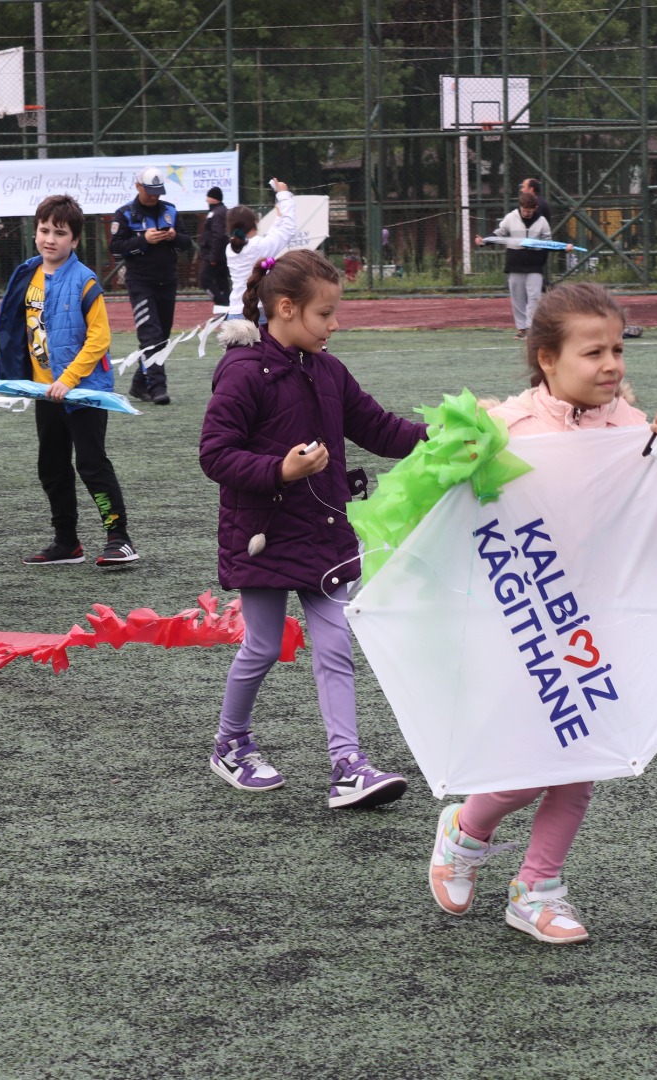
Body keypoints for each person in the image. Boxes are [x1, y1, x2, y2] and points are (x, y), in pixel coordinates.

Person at [426, 282, 657, 945]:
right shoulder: (510, 425)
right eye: (593, 352)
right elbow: (441, 502)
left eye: (617, 349)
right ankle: (467, 830)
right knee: (537, 760)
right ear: (547, 359)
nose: (611, 364)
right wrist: (461, 447)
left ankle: (536, 887)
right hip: (521, 621)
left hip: (596, 625)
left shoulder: (634, 430)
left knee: (581, 763)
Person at [198, 248, 427, 809]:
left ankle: (348, 765)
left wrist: (442, 439)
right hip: (265, 533)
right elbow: (215, 454)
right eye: (325, 314)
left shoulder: (329, 371)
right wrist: (280, 469)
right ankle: (230, 742)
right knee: (263, 644)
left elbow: (380, 428)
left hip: (324, 532)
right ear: (285, 308)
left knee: (334, 646)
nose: (334, 324)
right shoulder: (244, 372)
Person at [0, 194, 138, 569]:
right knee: (51, 465)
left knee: (91, 463)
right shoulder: (27, 274)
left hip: (83, 392)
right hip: (44, 393)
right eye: (44, 230)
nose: (50, 238)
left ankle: (119, 537)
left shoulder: (85, 281)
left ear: (74, 240)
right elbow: (19, 328)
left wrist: (69, 380)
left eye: (60, 232)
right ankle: (66, 542)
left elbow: (99, 338)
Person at [110, 166, 194, 405]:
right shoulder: (124, 214)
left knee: (162, 338)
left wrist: (173, 237)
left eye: (158, 191)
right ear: (138, 187)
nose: (154, 196)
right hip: (140, 283)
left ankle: (139, 384)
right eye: (150, 191)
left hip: (167, 281)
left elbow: (187, 243)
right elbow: (116, 247)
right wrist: (143, 241)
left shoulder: (170, 211)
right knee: (150, 335)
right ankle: (158, 387)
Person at [479, 191, 551, 339]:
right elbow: (500, 233)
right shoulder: (511, 217)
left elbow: (548, 242)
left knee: (534, 296)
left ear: (535, 208)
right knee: (517, 297)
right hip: (515, 263)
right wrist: (484, 241)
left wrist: (560, 249)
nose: (526, 213)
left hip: (534, 265)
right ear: (520, 207)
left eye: (529, 211)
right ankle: (521, 329)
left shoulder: (542, 221)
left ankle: (531, 328)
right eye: (524, 210)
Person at [224, 179, 297, 320]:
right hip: (256, 312)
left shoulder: (231, 248)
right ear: (254, 223)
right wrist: (283, 195)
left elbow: (268, 239)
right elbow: (288, 228)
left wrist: (278, 219)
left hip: (234, 312)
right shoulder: (258, 247)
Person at [195, 185, 230, 307]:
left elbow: (218, 235)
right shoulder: (218, 211)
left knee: (205, 279)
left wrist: (213, 257)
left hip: (214, 255)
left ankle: (221, 302)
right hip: (218, 254)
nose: (206, 200)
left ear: (214, 198)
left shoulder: (217, 213)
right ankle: (227, 304)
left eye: (208, 197)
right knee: (222, 281)